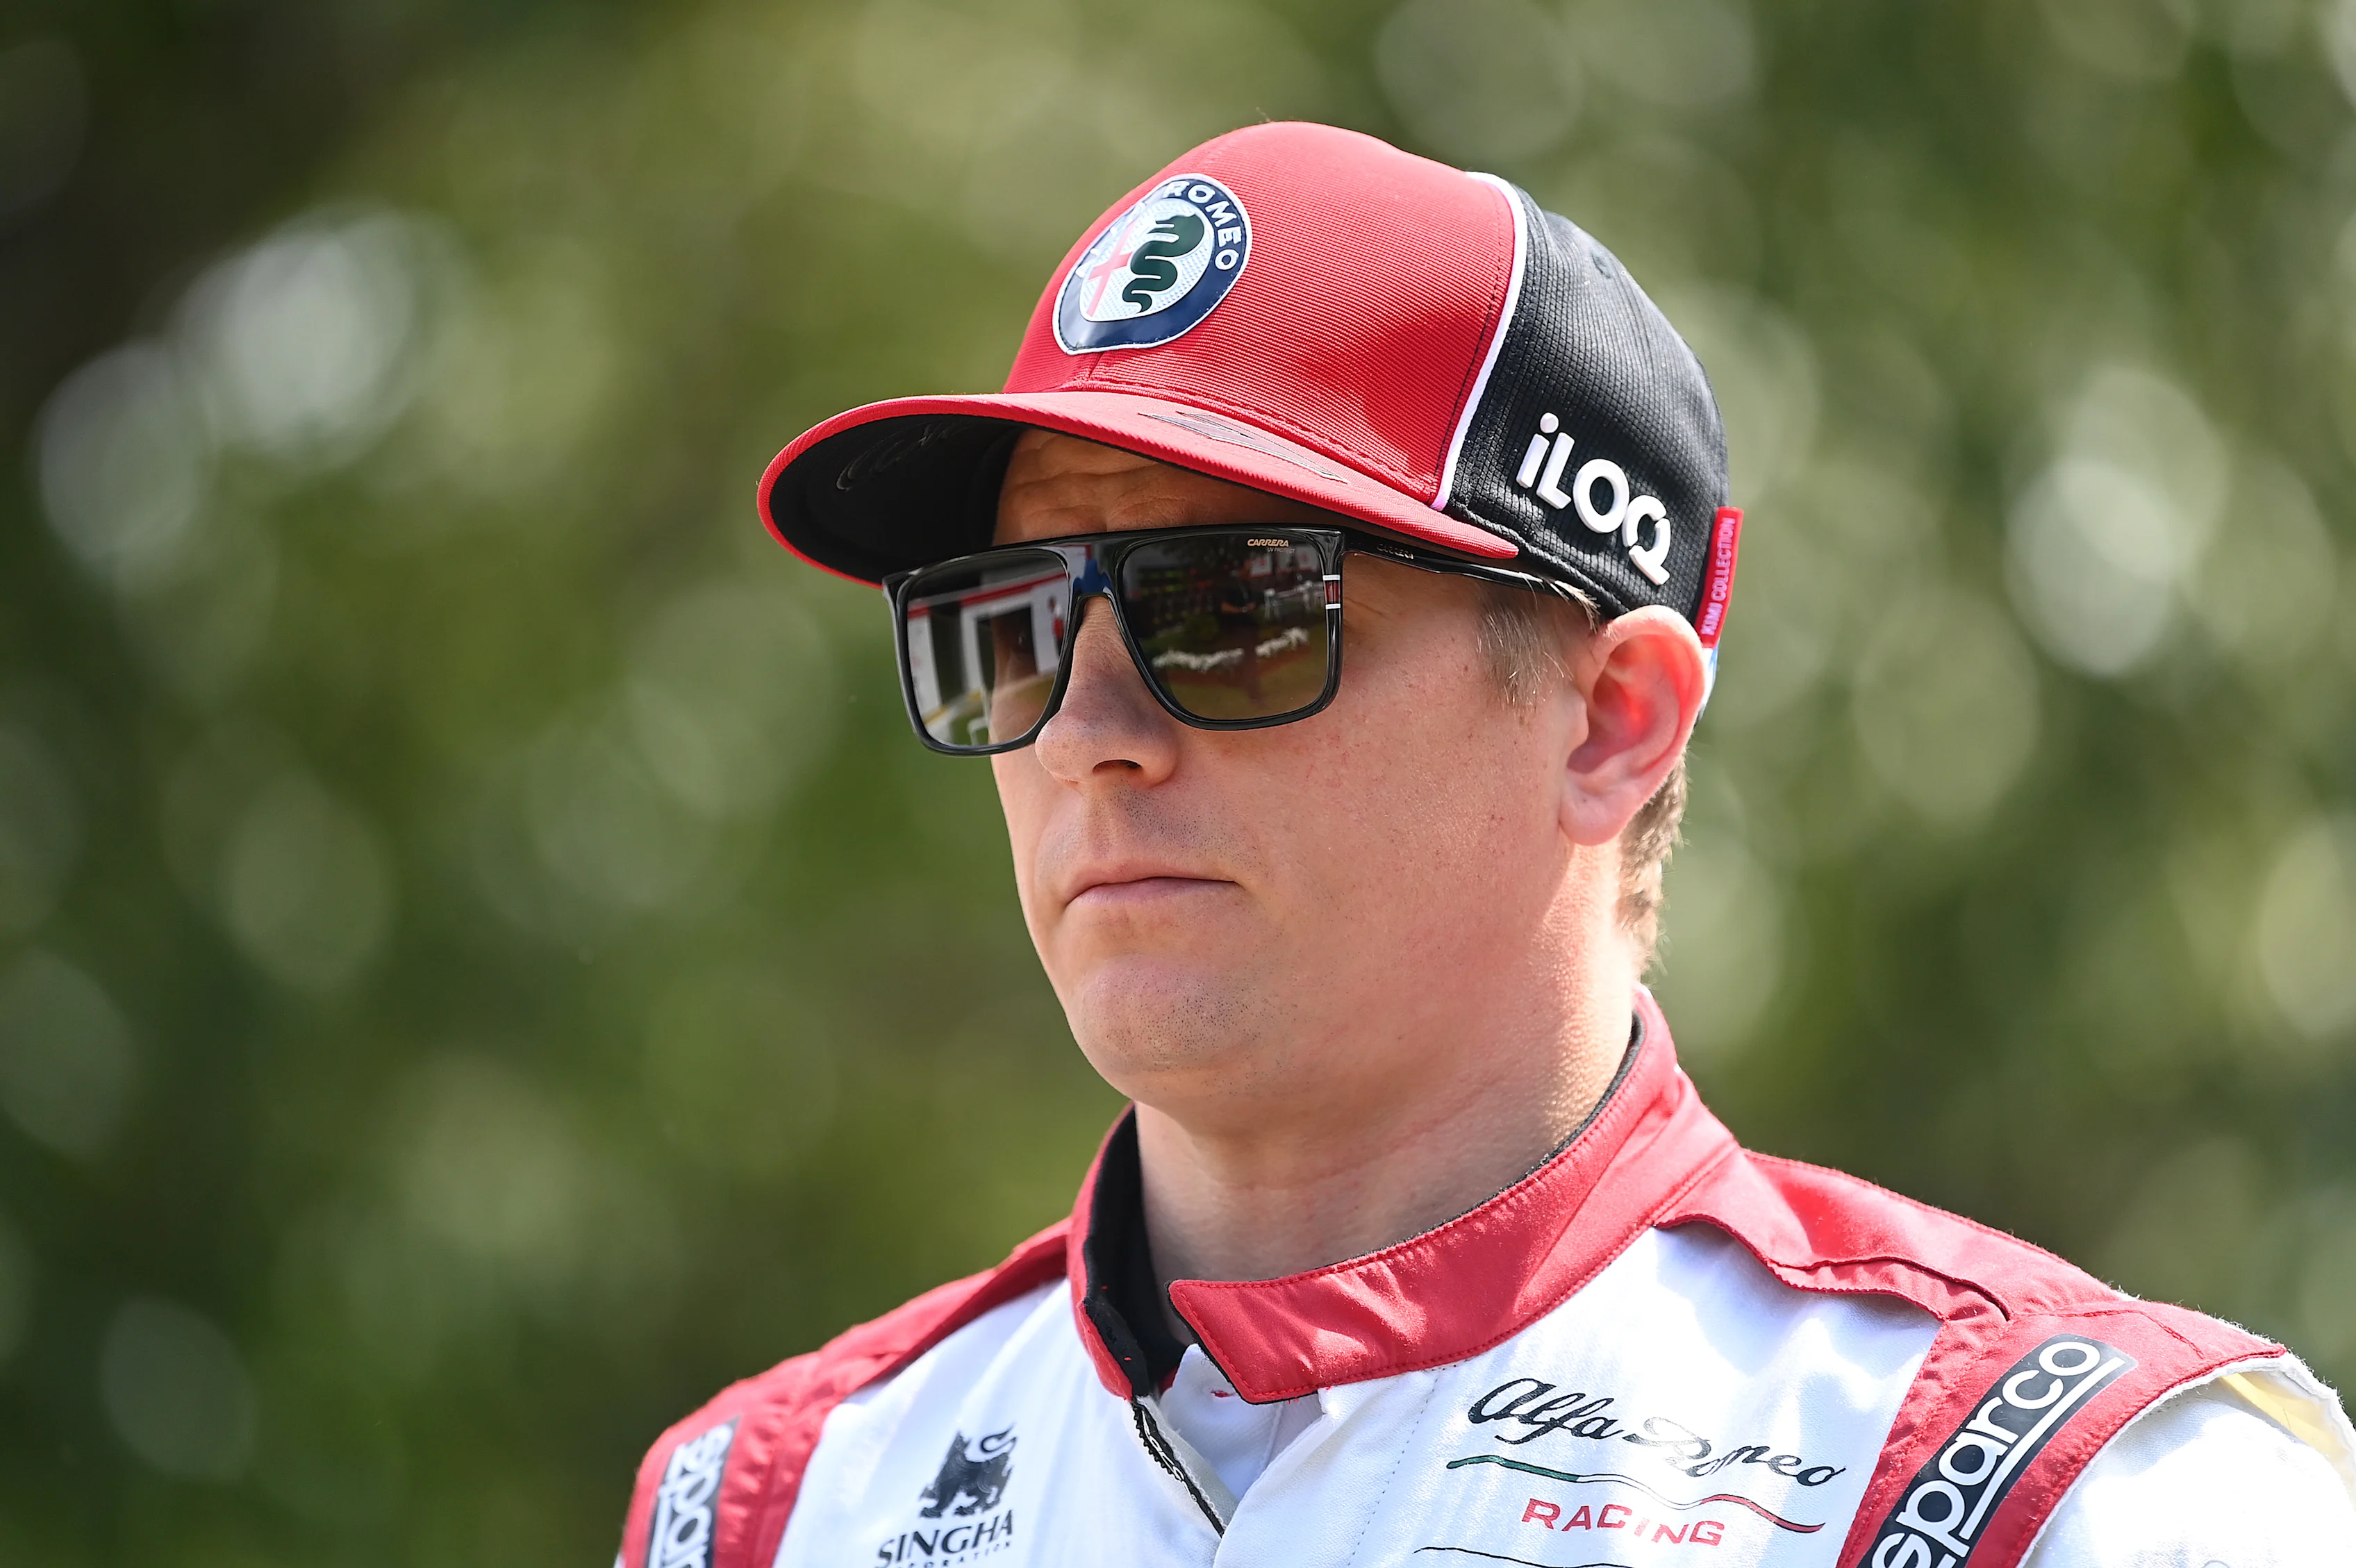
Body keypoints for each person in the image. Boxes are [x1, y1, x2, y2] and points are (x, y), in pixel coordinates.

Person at [618, 123, 2355, 1568]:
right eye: (1003, 622)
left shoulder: (2077, 1498)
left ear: (1613, 720)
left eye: (1228, 611)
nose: (1084, 729)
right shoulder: (764, 1510)